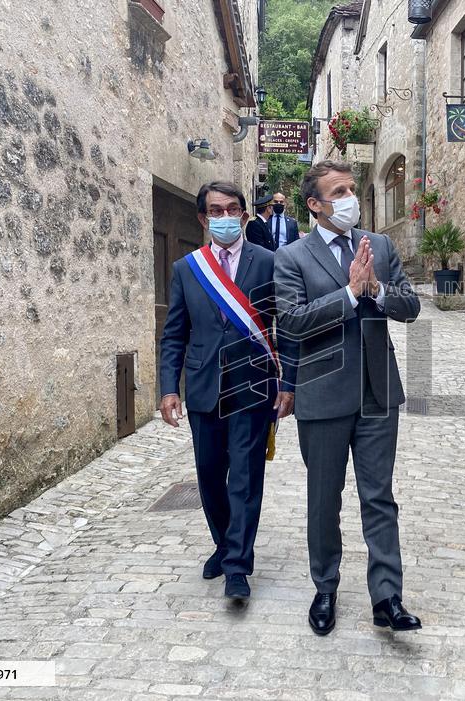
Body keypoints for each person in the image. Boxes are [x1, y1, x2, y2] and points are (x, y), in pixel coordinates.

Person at [273, 159, 422, 636]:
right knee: (323, 499)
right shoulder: (291, 257)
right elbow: (292, 322)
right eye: (338, 191)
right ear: (314, 205)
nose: (349, 198)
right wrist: (351, 296)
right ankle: (326, 587)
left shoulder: (379, 245)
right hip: (322, 396)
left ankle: (387, 597)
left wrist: (376, 289)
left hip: (378, 392)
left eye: (352, 189)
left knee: (379, 497)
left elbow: (411, 307)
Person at [159, 181, 296, 604]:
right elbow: (174, 334)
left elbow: (285, 328)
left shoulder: (269, 262)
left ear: (243, 215)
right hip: (203, 387)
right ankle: (222, 543)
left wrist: (288, 382)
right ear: (203, 218)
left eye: (232, 209)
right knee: (209, 476)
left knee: (246, 477)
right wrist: (168, 388)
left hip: (254, 386)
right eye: (215, 211)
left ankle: (238, 565)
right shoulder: (187, 268)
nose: (224, 217)